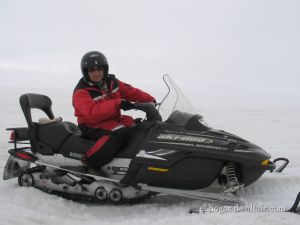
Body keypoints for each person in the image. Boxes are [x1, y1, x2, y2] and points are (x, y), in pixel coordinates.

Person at [72, 51, 156, 170]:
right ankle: (89, 162)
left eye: (99, 68)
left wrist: (150, 100)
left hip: (112, 119)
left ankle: (131, 161)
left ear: (104, 69)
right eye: (91, 70)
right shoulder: (81, 92)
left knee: (137, 127)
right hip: (91, 124)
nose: (96, 73)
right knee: (119, 133)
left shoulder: (111, 82)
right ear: (86, 72)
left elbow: (131, 92)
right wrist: (118, 103)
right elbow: (93, 113)